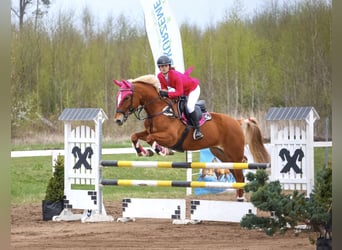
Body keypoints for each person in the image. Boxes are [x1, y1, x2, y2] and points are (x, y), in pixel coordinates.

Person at [156, 55, 204, 140]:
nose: (163, 68)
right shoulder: (160, 76)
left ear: (169, 66)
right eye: (161, 66)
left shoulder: (175, 75)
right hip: (183, 91)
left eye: (166, 66)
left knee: (189, 107)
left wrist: (167, 94)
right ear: (159, 67)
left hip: (193, 89)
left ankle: (198, 130)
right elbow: (164, 88)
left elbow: (179, 92)